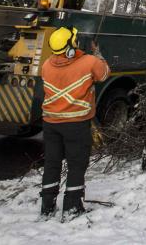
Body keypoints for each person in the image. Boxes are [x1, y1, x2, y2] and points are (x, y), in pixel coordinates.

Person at [40, 26, 109, 219]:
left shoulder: (46, 65)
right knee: (77, 164)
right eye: (75, 40)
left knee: (52, 163)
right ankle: (71, 206)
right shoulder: (89, 62)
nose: (77, 41)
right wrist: (97, 53)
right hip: (76, 124)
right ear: (71, 45)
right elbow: (103, 74)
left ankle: (47, 205)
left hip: (51, 123)